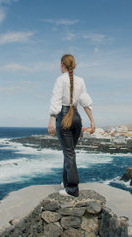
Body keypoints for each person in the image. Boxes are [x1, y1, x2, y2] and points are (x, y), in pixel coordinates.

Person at [48, 54, 95, 197]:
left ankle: (72, 189)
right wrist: (92, 121)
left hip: (64, 116)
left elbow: (56, 100)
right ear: (73, 65)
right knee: (69, 152)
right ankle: (66, 182)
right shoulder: (81, 80)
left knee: (68, 153)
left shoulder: (60, 80)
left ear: (62, 65)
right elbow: (85, 101)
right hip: (76, 118)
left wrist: (51, 119)